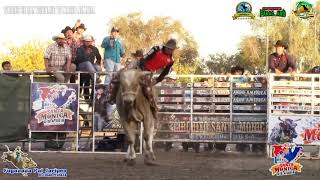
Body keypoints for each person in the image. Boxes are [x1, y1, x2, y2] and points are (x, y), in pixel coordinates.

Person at [107, 39, 179, 119]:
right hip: (139, 64)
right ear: (165, 47)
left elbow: (165, 72)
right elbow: (144, 58)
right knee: (120, 75)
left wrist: (157, 80)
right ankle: (112, 97)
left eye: (171, 49)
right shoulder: (156, 49)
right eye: (168, 48)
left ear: (173, 50)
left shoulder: (171, 61)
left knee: (148, 91)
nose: (169, 50)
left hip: (149, 72)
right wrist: (142, 69)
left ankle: (153, 108)